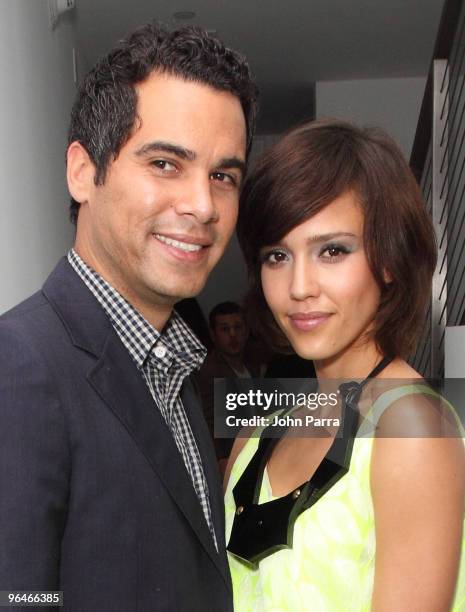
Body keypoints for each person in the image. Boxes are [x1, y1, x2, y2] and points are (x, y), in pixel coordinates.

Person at [0, 22, 257, 611]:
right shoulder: (21, 366)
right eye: (166, 163)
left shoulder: (176, 367)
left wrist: (367, 402)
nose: (202, 205)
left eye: (223, 176)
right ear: (83, 172)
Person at [224, 119, 465, 611]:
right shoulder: (258, 435)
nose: (299, 287)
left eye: (332, 251)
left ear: (389, 258)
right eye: (277, 256)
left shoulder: (411, 428)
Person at [198, 302, 262, 468]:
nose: (233, 335)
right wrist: (220, 460)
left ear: (246, 331)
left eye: (238, 327)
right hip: (233, 460)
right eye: (225, 329)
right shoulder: (209, 371)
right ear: (213, 335)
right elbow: (210, 422)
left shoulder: (254, 365)